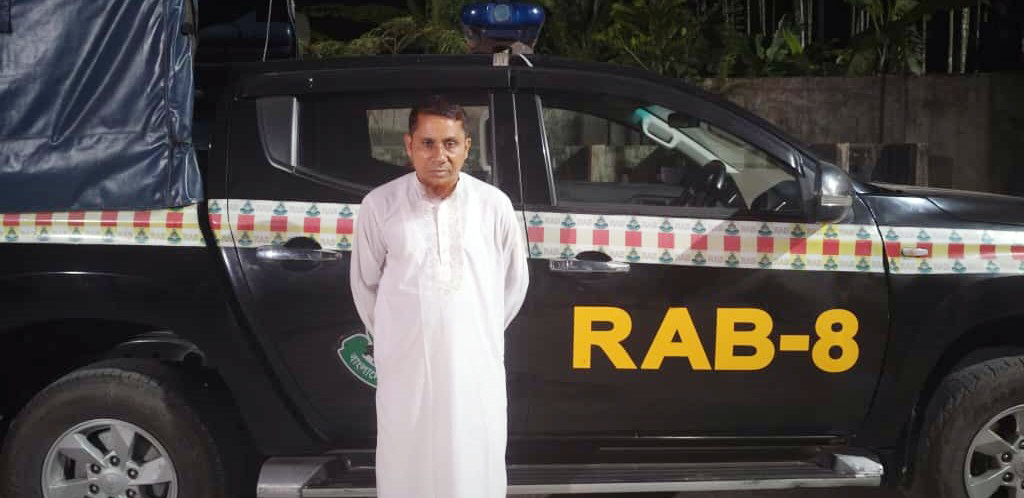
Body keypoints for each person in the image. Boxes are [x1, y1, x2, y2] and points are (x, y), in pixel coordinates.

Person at [350, 95, 529, 498]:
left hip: (474, 368)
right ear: (409, 145)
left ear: (467, 146)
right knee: (407, 463)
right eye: (427, 143)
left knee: (474, 462)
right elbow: (365, 284)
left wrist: (473, 331)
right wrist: (400, 339)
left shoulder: (494, 206)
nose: (439, 155)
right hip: (406, 369)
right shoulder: (380, 205)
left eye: (450, 143)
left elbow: (513, 284)